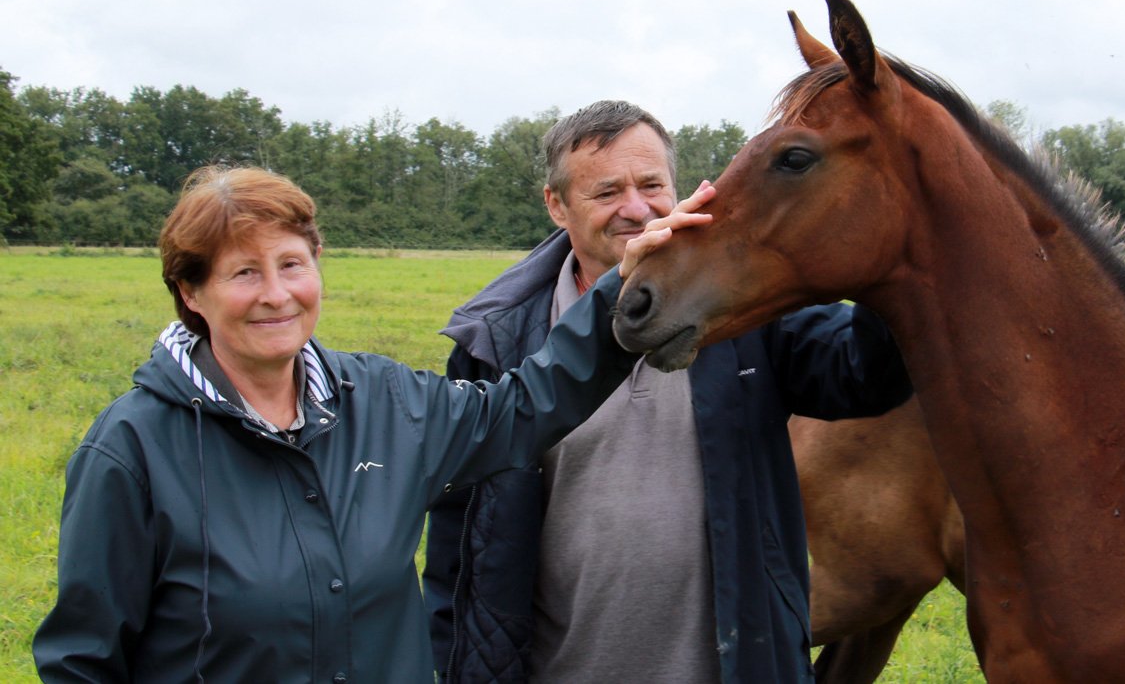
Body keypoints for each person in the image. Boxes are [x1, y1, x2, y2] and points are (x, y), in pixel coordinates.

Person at [32, 164, 711, 683]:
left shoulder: (384, 401)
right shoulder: (132, 449)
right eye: (243, 273)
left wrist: (617, 290)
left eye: (292, 264)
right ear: (191, 291)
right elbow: (83, 660)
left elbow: (521, 410)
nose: (276, 294)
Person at [423, 100, 914, 683]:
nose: (637, 209)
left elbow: (863, 374)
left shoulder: (741, 309)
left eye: (652, 185)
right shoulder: (495, 342)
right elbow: (459, 544)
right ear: (556, 205)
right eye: (607, 192)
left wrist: (885, 259)